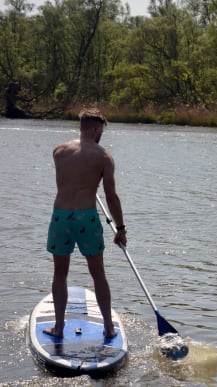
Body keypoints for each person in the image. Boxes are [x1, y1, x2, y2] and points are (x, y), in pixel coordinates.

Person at [44, 108, 127, 339]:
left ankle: (59, 328)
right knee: (98, 273)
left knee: (60, 273)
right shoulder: (104, 157)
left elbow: (68, 179)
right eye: (102, 131)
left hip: (60, 216)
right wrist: (120, 229)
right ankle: (109, 327)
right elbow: (111, 197)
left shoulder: (59, 151)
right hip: (86, 217)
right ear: (96, 128)